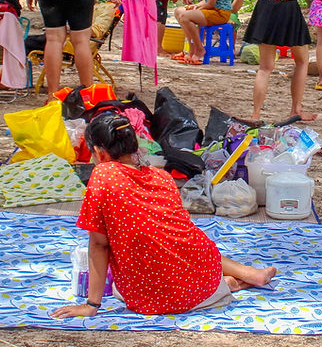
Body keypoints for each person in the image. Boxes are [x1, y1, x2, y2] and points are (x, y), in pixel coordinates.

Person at [50, 113, 277, 318]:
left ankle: (230, 283)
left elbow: (99, 245)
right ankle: (240, 277)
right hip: (202, 280)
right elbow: (169, 235)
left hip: (150, 299)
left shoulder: (103, 174)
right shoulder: (162, 177)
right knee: (182, 243)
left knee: (125, 281)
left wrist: (92, 304)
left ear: (100, 153)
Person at [0, 0, 120, 90]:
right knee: (24, 43)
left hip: (70, 42)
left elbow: (97, 31)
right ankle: (2, 77)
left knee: (25, 44)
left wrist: (70, 29)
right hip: (65, 38)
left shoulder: (108, 9)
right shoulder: (90, 6)